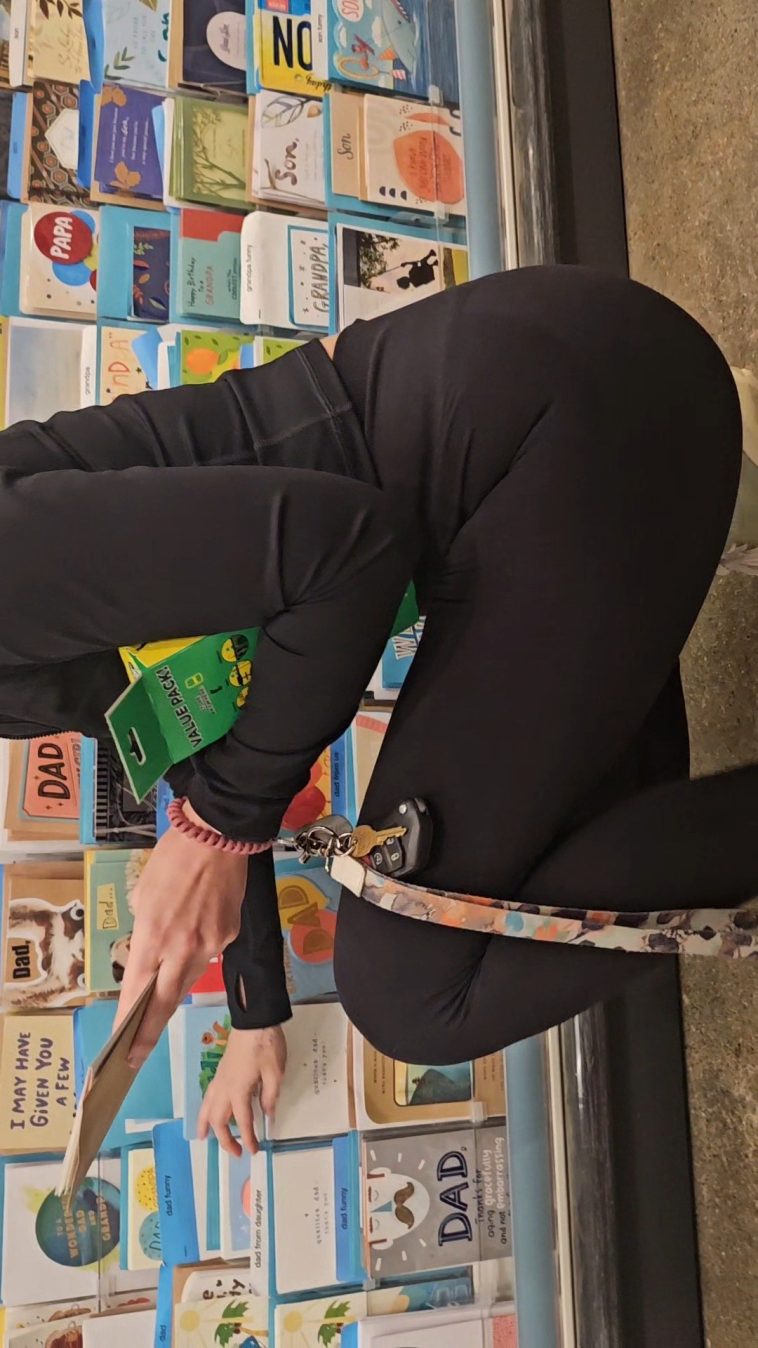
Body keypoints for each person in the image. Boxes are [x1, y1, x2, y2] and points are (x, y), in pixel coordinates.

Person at [0, 266, 752, 1159]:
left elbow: (347, 551)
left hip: (580, 416)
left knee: (413, 984)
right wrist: (254, 1005)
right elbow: (186, 726)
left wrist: (218, 827)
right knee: (558, 850)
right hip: (536, 458)